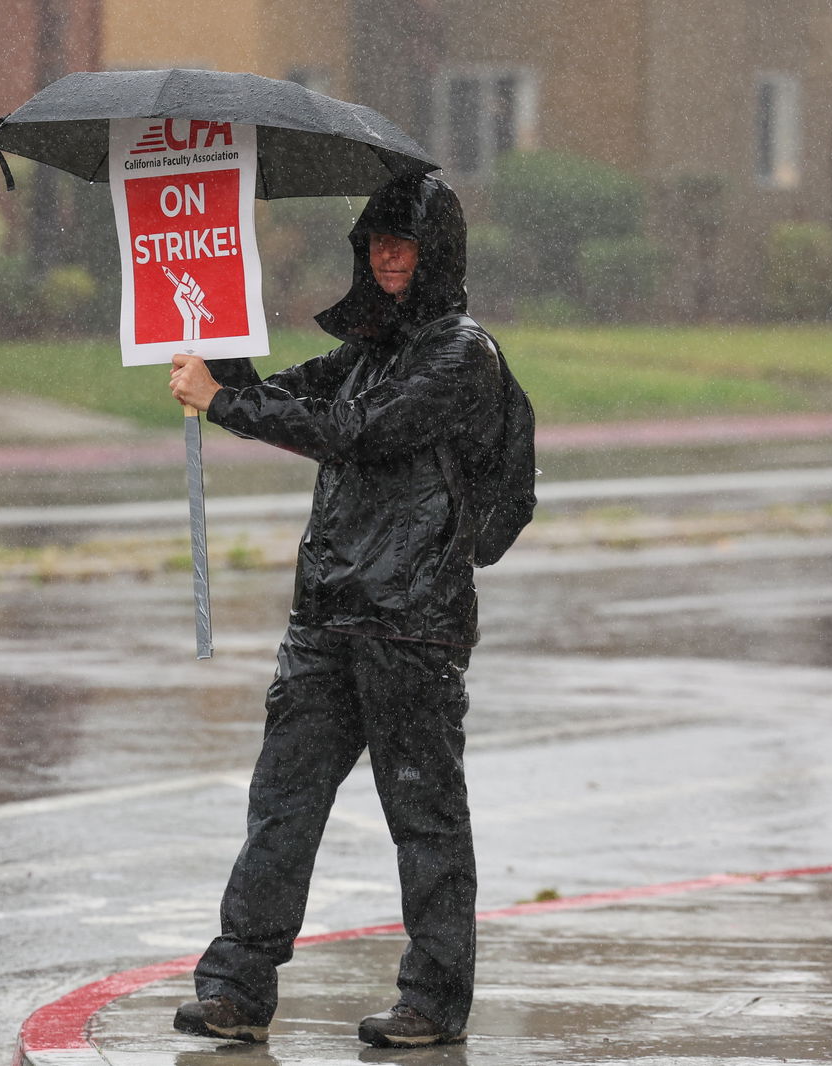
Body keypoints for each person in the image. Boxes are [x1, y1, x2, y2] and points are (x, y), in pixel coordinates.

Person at [166, 172, 504, 1049]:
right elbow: (291, 400)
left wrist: (226, 398)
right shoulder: (366, 351)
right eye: (376, 244)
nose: (389, 258)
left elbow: (360, 433)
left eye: (404, 243)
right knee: (282, 805)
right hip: (326, 617)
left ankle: (433, 1001)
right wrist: (216, 343)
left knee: (424, 817)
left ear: (438, 254)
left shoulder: (460, 356)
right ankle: (236, 985)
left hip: (412, 625)